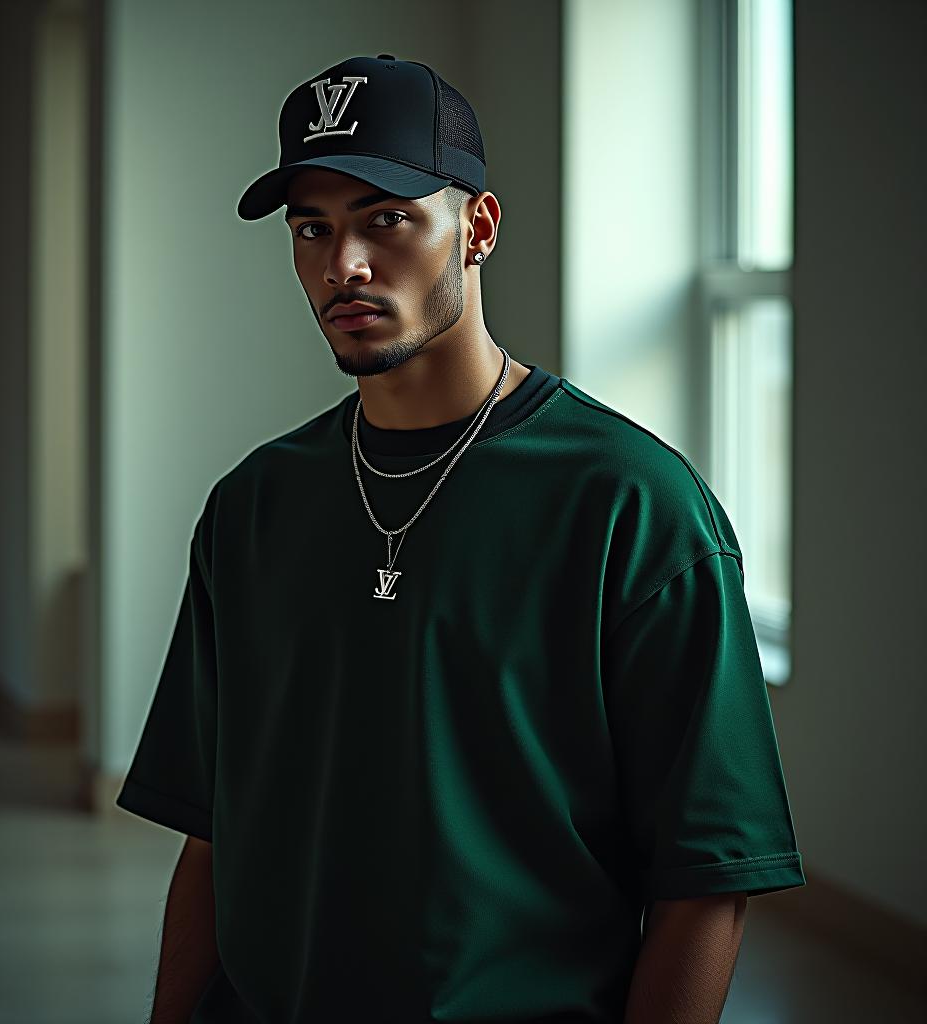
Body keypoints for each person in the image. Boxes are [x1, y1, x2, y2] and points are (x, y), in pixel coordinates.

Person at [115, 53, 806, 1024]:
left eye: (384, 219)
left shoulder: (631, 505)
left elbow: (705, 881)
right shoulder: (256, 505)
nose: (341, 264)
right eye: (311, 228)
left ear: (475, 228)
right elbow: (212, 838)